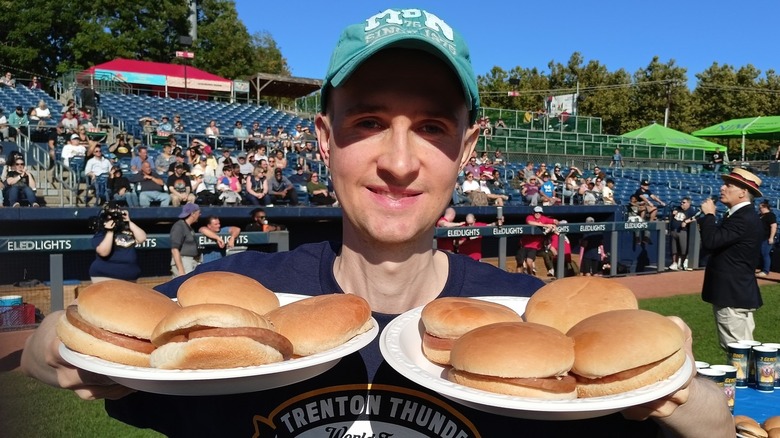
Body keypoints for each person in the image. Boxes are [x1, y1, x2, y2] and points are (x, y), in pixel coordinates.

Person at [20, 8, 731, 437]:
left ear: (468, 148)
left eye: (429, 126)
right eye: (367, 123)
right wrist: (59, 342)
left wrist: (673, 387)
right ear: (324, 141)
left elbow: (715, 425)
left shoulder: (530, 324)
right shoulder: (232, 300)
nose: (399, 161)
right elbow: (50, 348)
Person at [698, 168, 764, 350]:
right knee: (745, 349)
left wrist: (709, 215)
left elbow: (711, 242)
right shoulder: (744, 216)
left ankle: (742, 380)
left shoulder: (742, 218)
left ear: (743, 192)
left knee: (737, 352)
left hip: (731, 295)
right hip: (737, 292)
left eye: (729, 185)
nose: (722, 188)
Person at [88, 204, 146, 282]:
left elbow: (142, 238)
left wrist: (128, 222)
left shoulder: (127, 229)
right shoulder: (102, 232)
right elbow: (103, 252)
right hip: (106, 275)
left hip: (130, 277)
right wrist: (110, 231)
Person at [517, 206, 557, 275]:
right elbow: (530, 222)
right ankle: (517, 277)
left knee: (529, 262)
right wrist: (545, 225)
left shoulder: (544, 218)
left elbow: (555, 221)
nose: (538, 214)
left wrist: (554, 224)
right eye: (536, 212)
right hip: (525, 245)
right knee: (520, 263)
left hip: (535, 247)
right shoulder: (530, 217)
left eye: (539, 212)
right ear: (533, 212)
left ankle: (531, 275)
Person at [169, 203, 202, 277]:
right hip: (183, 262)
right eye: (199, 213)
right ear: (193, 213)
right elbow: (174, 250)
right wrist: (181, 271)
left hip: (190, 262)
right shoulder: (179, 226)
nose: (200, 215)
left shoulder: (188, 227)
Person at [669, 197, 697, 271]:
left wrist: (686, 221)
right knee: (674, 248)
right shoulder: (677, 208)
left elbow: (695, 217)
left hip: (683, 231)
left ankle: (682, 263)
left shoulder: (691, 211)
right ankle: (674, 263)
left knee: (683, 248)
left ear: (688, 203)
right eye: (681, 202)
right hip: (674, 230)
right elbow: (671, 218)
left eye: (684, 202)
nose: (682, 204)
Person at [757, 200, 777, 278]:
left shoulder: (770, 215)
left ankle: (765, 271)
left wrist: (771, 237)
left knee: (765, 254)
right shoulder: (759, 215)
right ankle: (762, 269)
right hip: (759, 238)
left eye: (761, 207)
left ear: (765, 207)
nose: (759, 208)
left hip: (766, 238)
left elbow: (773, 226)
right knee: (760, 254)